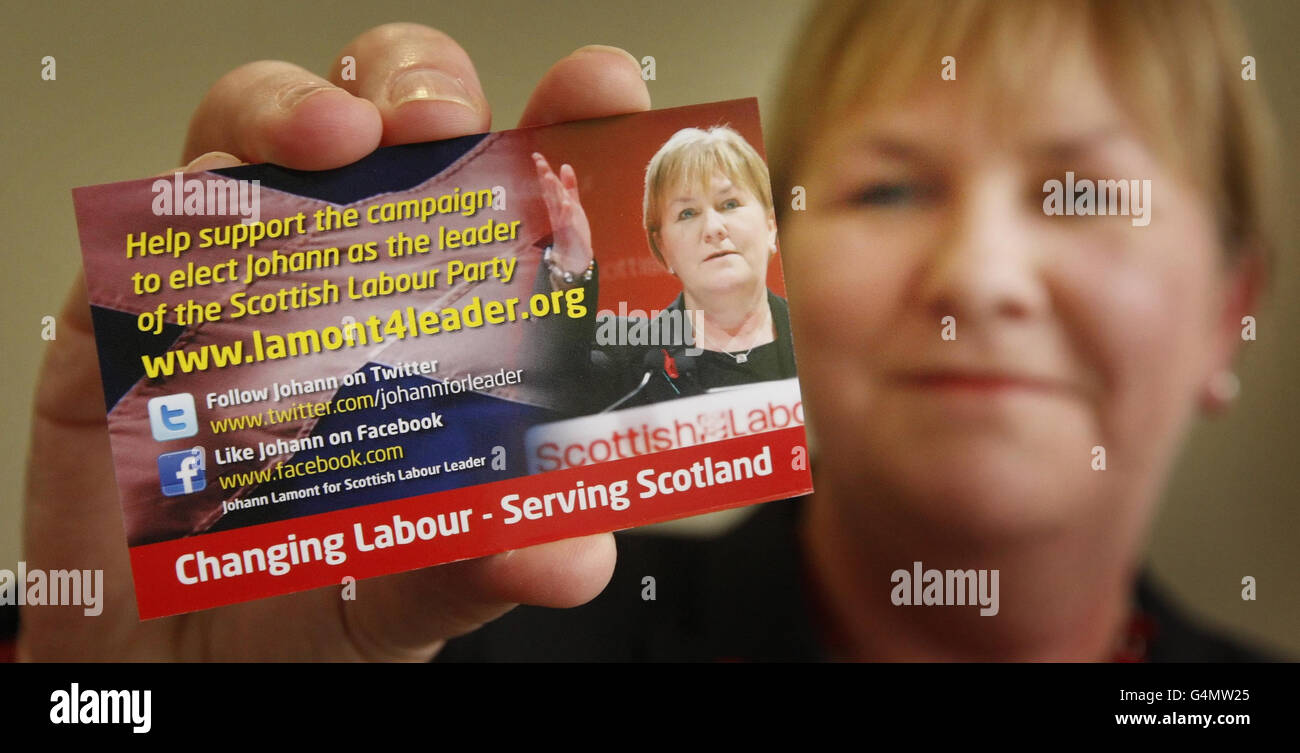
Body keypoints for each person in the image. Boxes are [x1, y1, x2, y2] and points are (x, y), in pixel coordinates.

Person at [12, 0, 1288, 661]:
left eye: (1081, 195)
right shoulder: (476, 652)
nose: (980, 274)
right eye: (889, 187)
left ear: (1232, 304)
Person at [528, 126, 797, 413]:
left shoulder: (823, 339)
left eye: (729, 204)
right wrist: (569, 269)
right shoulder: (627, 355)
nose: (713, 228)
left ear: (770, 227)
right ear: (663, 247)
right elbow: (553, 382)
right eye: (688, 213)